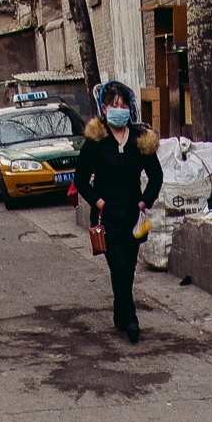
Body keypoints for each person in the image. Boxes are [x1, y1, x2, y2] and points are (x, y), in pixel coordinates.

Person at [80, 81, 163, 342]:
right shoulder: (96, 141)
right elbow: (81, 179)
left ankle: (120, 311)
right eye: (113, 105)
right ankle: (131, 320)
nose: (118, 109)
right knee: (119, 267)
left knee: (128, 268)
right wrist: (98, 201)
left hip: (132, 216)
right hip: (107, 218)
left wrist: (144, 201)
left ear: (129, 108)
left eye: (122, 105)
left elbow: (156, 175)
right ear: (104, 108)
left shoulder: (140, 140)